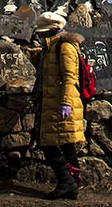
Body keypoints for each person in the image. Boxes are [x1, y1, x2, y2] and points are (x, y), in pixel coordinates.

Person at [33, 11, 85, 200]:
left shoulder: (64, 47)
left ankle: (67, 182)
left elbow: (69, 77)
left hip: (61, 102)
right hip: (53, 101)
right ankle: (71, 184)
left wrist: (65, 103)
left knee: (49, 143)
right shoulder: (52, 46)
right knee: (66, 144)